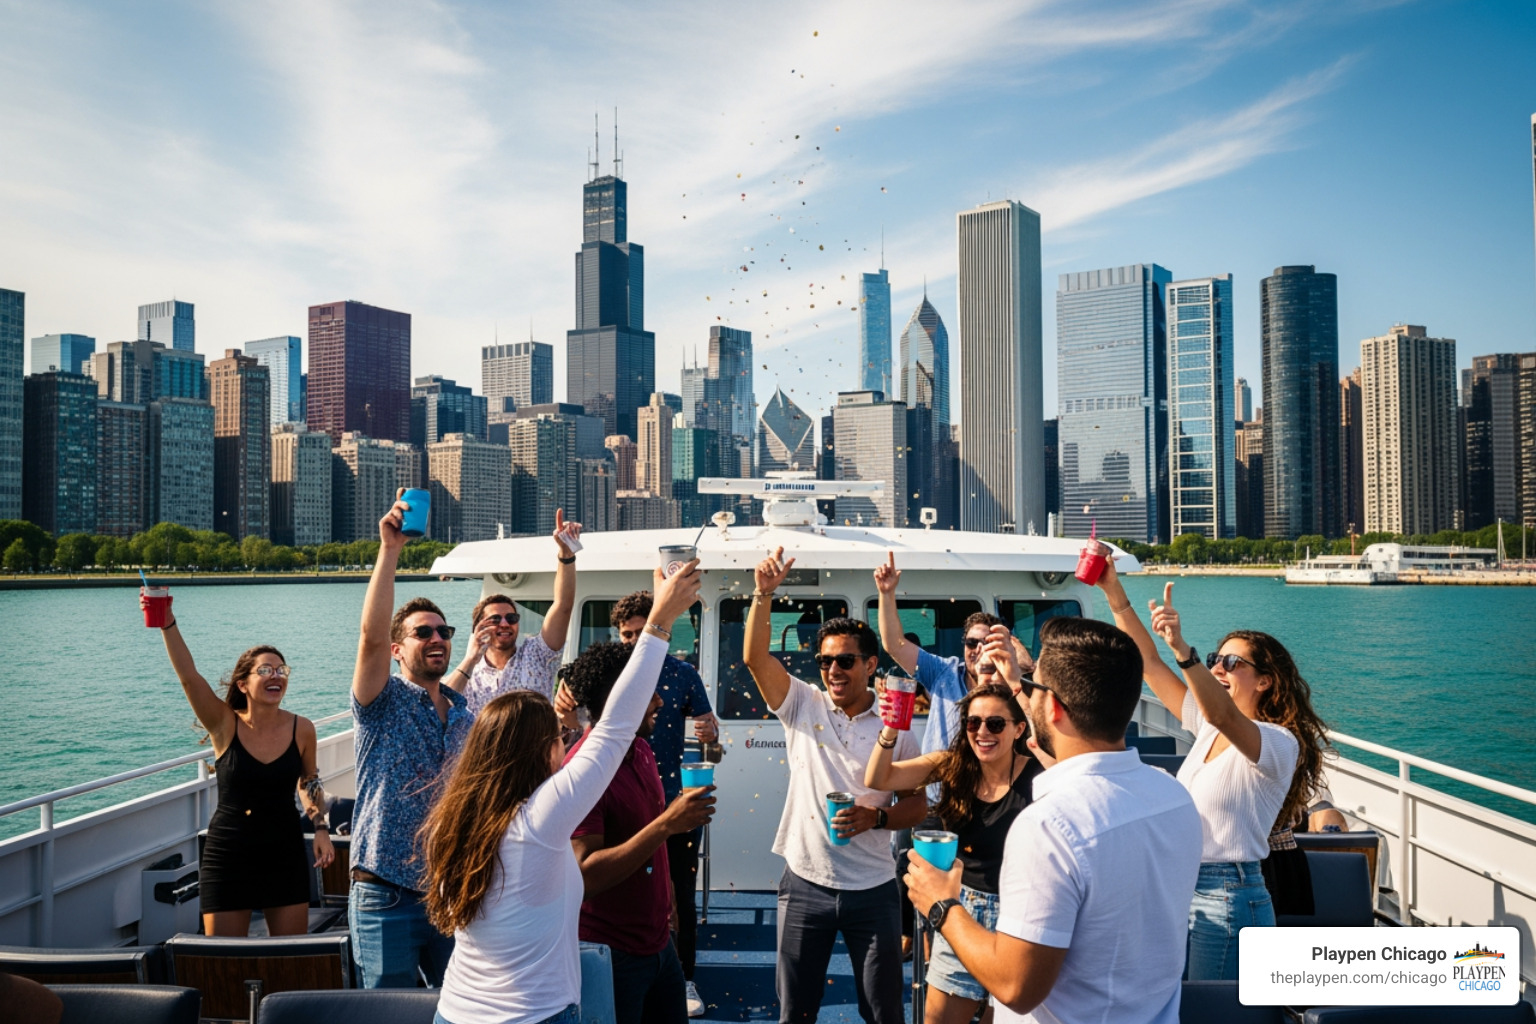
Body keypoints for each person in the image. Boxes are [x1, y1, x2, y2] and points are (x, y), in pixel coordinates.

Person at [423, 562, 702, 1024]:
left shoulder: (452, 821)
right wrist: (660, 621)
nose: (564, 743)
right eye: (556, 737)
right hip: (534, 1015)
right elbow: (613, 730)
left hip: (456, 1011)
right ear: (540, 751)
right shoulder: (539, 820)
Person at [903, 617, 1202, 1024]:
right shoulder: (1173, 796)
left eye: (1033, 686)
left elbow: (1015, 988)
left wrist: (940, 903)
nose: (1026, 693)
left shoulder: (1047, 826)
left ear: (1053, 705)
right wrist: (1015, 685)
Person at [1091, 544, 1329, 980]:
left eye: (1231, 662)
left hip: (1228, 893)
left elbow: (1221, 711)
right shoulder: (1209, 729)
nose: (1219, 666)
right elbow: (1147, 664)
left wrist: (1186, 650)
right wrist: (1114, 591)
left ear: (1265, 681)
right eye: (1216, 659)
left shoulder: (1279, 743)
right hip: (1183, 885)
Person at [745, 546, 928, 1024]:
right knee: (795, 1013)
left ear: (871, 665)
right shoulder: (803, 704)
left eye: (846, 661)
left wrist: (877, 816)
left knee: (884, 1012)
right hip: (805, 883)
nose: (833, 671)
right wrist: (763, 594)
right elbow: (753, 658)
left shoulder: (897, 726)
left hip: (874, 889)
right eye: (825, 662)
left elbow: (917, 807)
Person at [147, 594, 333, 936]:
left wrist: (321, 827)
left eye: (281, 670)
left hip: (284, 850)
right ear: (243, 684)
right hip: (229, 853)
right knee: (226, 960)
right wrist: (167, 622)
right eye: (265, 670)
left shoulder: (301, 728)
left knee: (290, 957)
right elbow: (190, 678)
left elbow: (309, 782)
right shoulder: (224, 724)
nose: (276, 675)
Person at [349, 491, 475, 988]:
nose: (438, 638)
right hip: (386, 894)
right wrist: (390, 551)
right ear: (399, 649)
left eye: (444, 630)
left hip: (452, 889)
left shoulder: (464, 715)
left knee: (463, 1012)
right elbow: (370, 638)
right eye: (423, 632)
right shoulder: (382, 704)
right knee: (388, 1012)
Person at [563, 630, 717, 1024]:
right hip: (610, 954)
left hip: (659, 945)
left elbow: (647, 837)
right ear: (620, 698)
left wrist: (666, 900)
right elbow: (585, 874)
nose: (662, 702)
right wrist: (668, 824)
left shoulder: (642, 750)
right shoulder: (585, 770)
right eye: (650, 691)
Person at [866, 682, 1043, 1024]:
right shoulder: (952, 765)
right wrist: (891, 726)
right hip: (960, 911)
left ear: (1019, 728)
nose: (982, 732)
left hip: (1016, 919)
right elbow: (878, 777)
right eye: (973, 723)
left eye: (995, 724)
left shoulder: (1038, 774)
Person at [610, 591, 720, 1018]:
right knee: (619, 889)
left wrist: (712, 742)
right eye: (627, 635)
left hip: (673, 806)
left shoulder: (683, 675)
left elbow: (713, 752)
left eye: (642, 632)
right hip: (618, 802)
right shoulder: (608, 674)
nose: (635, 641)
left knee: (681, 896)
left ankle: (684, 975)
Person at [448, 510, 580, 714]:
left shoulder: (537, 654)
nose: (504, 623)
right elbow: (439, 705)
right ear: (478, 628)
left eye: (511, 618)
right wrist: (469, 659)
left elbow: (563, 606)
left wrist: (566, 555)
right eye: (494, 619)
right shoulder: (468, 673)